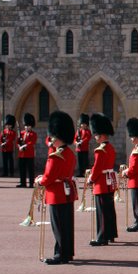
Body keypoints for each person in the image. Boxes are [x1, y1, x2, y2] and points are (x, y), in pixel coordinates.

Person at [38, 111, 77, 265]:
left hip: (56, 194)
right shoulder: (69, 153)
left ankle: (60, 254)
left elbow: (48, 177)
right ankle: (67, 252)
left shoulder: (55, 156)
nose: (50, 140)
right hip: (67, 192)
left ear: (56, 137)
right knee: (67, 225)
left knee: (58, 226)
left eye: (52, 137)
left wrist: (40, 181)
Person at [88, 113, 118, 246]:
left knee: (102, 212)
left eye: (96, 134)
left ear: (100, 135)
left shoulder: (100, 150)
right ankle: (111, 234)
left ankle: (102, 237)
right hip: (109, 182)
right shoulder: (110, 148)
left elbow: (97, 168)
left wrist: (91, 179)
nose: (95, 137)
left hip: (101, 183)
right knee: (109, 209)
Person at [17, 113, 37, 188]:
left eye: (28, 126)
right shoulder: (21, 133)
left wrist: (25, 146)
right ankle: (23, 183)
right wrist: (19, 146)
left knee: (30, 169)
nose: (26, 127)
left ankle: (31, 183)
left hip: (29, 154)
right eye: (25, 126)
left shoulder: (33, 134)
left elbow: (32, 143)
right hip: (21, 154)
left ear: (31, 126)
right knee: (22, 169)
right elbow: (18, 141)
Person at [75, 114, 92, 178]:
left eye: (84, 124)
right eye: (82, 124)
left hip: (85, 149)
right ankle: (81, 173)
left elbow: (87, 138)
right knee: (80, 162)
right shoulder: (79, 131)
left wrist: (81, 142)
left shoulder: (88, 131)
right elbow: (75, 138)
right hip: (79, 149)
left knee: (85, 162)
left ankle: (86, 173)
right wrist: (76, 142)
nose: (83, 125)